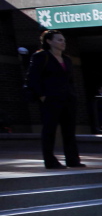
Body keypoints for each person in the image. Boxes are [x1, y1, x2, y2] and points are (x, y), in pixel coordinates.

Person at [26, 30, 84, 169]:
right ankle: (50, 160)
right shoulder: (41, 56)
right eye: (59, 40)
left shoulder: (67, 59)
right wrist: (42, 96)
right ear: (49, 41)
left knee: (69, 130)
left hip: (68, 98)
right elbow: (33, 78)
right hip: (50, 99)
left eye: (63, 40)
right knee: (49, 130)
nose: (63, 42)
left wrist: (73, 95)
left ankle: (72, 159)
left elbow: (70, 80)